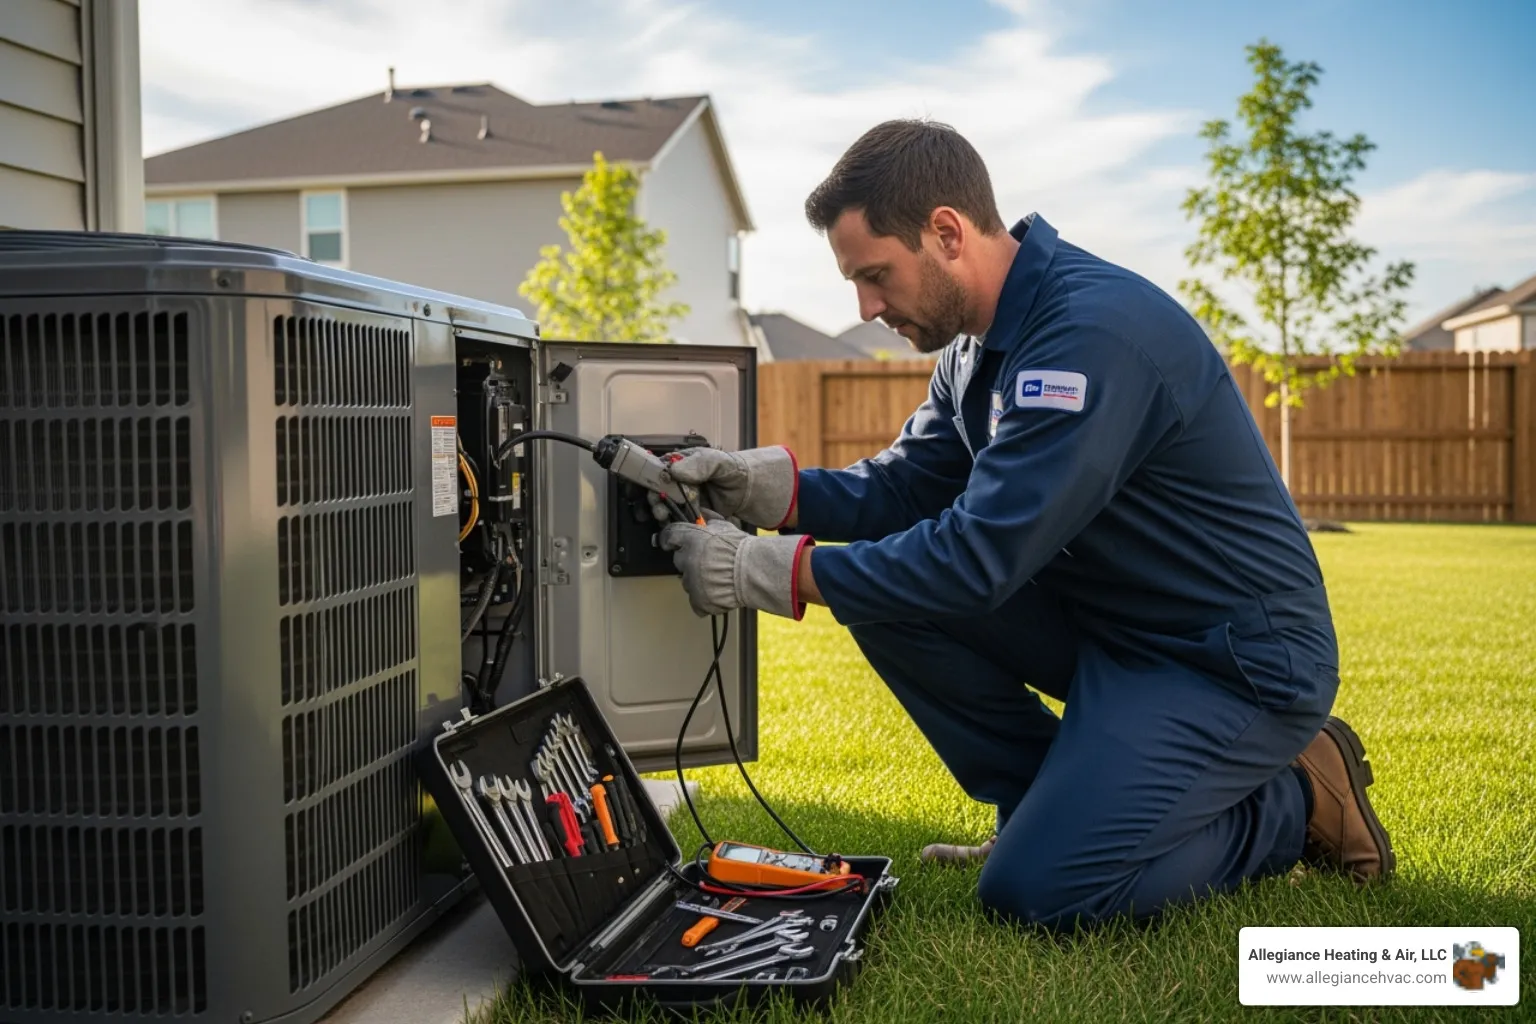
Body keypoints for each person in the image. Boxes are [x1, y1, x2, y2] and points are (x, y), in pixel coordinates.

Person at [656, 119, 1394, 932]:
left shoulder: (1089, 335)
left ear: (945, 233)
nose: (865, 307)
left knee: (1040, 894)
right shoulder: (974, 351)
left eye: (875, 276)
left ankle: (1293, 800)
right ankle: (1042, 805)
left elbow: (976, 560)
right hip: (1118, 632)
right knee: (884, 593)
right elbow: (906, 488)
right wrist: (768, 491)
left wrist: (763, 571)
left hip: (1228, 662)